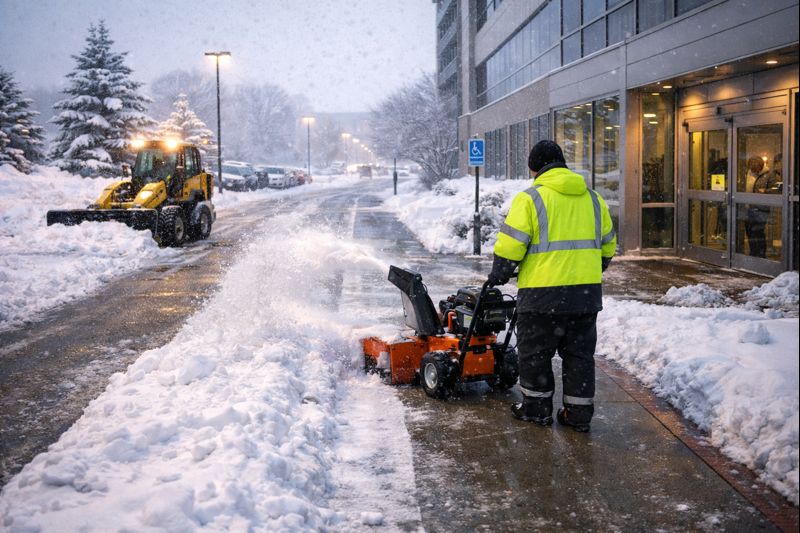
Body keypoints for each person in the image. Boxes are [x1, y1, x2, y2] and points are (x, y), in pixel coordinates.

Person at [488, 140, 616, 432]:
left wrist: (500, 273)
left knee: (535, 355)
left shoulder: (530, 199)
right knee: (579, 357)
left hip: (541, 296)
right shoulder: (594, 199)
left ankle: (536, 409)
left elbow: (511, 246)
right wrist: (593, 269)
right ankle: (578, 416)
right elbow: (609, 245)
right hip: (584, 297)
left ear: (534, 169)